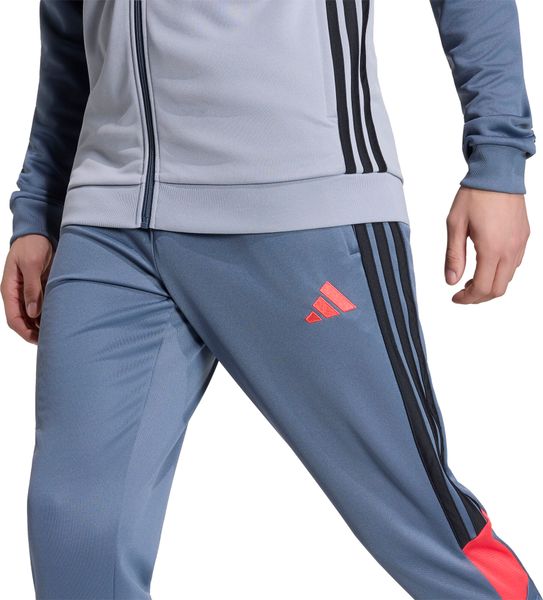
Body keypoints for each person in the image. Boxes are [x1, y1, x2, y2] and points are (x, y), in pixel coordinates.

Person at [1, 1, 540, 598]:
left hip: (304, 206)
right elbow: (70, 31)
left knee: (422, 523)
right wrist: (40, 209)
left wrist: (498, 161)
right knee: (77, 534)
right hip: (110, 222)